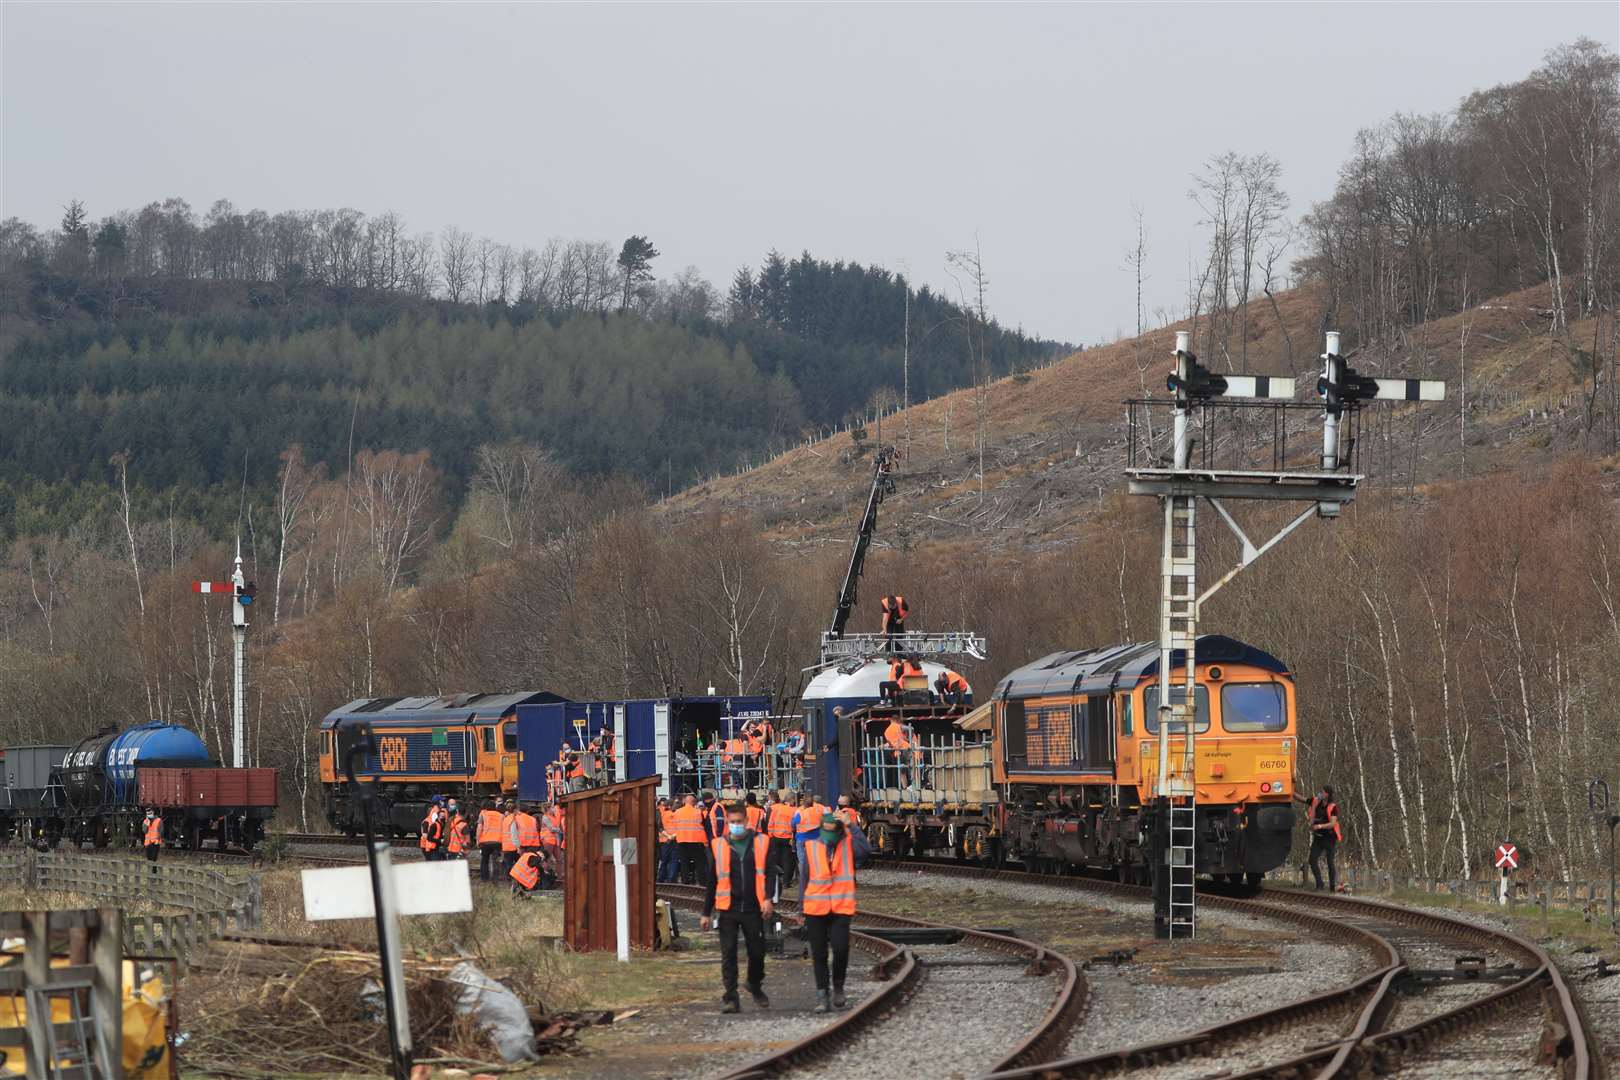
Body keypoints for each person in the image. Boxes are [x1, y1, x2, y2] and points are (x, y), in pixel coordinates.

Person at [701, 802, 774, 1013]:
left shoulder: (762, 842)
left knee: (757, 952)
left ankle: (754, 983)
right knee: (729, 953)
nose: (735, 825)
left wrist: (768, 898)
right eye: (731, 822)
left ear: (746, 821)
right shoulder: (719, 845)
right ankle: (730, 997)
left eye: (738, 822)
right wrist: (706, 912)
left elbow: (769, 873)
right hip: (728, 909)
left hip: (753, 907)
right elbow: (712, 880)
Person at [802, 813, 870, 1011]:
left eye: (832, 832)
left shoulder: (848, 844)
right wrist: (800, 907)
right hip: (815, 908)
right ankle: (822, 994)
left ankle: (838, 985)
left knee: (841, 949)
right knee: (819, 953)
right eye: (825, 831)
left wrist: (853, 828)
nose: (828, 836)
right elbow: (805, 877)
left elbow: (865, 851)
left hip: (841, 907)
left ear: (839, 832)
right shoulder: (812, 847)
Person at [1307, 786, 1342, 892]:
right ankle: (1319, 884)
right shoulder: (1316, 803)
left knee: (1330, 862)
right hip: (1318, 837)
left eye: (1322, 792)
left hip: (1329, 837)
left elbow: (1332, 823)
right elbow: (1303, 800)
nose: (1319, 793)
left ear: (1327, 794)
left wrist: (1320, 826)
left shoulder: (1333, 807)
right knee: (1312, 860)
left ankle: (1332, 887)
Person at [792, 791, 827, 894]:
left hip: (802, 839)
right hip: (816, 838)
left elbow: (793, 824)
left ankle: (805, 881)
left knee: (802, 861)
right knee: (816, 859)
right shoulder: (818, 810)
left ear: (804, 802)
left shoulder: (800, 812)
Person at [765, 789, 797, 899]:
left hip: (775, 837)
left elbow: (771, 823)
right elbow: (795, 826)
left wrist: (771, 835)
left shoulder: (777, 809)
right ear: (792, 800)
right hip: (787, 838)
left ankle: (775, 879)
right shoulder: (794, 811)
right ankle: (786, 882)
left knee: (775, 859)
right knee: (788, 860)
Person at [673, 794, 708, 885]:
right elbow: (703, 825)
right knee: (700, 863)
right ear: (694, 803)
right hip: (696, 841)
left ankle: (686, 883)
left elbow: (675, 826)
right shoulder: (698, 812)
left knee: (684, 863)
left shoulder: (677, 812)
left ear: (684, 801)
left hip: (682, 841)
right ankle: (702, 882)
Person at [476, 799, 504, 882]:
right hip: (498, 841)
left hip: (485, 842)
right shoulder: (501, 816)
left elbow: (479, 828)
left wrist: (478, 839)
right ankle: (495, 879)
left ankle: (485, 879)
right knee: (495, 860)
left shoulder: (483, 814)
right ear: (495, 807)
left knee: (485, 860)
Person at [656, 797, 680, 883]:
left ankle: (661, 878)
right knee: (673, 860)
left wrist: (668, 836)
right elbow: (680, 827)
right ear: (670, 806)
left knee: (664, 860)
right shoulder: (677, 814)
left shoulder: (663, 815)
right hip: (675, 839)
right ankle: (671, 879)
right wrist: (673, 836)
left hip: (665, 840)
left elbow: (660, 827)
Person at [500, 798, 520, 877]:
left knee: (508, 863)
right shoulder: (513, 820)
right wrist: (518, 846)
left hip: (506, 846)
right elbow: (514, 834)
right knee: (517, 863)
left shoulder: (506, 819)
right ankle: (512, 878)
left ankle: (507, 879)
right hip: (512, 846)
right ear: (515, 810)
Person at [143, 808, 162, 873]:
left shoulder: (158, 820)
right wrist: (147, 824)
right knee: (149, 858)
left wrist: (158, 838)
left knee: (154, 858)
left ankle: (154, 872)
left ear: (153, 813)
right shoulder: (145, 821)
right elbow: (144, 831)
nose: (149, 815)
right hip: (148, 843)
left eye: (150, 813)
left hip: (155, 843)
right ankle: (150, 872)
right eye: (148, 814)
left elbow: (161, 831)